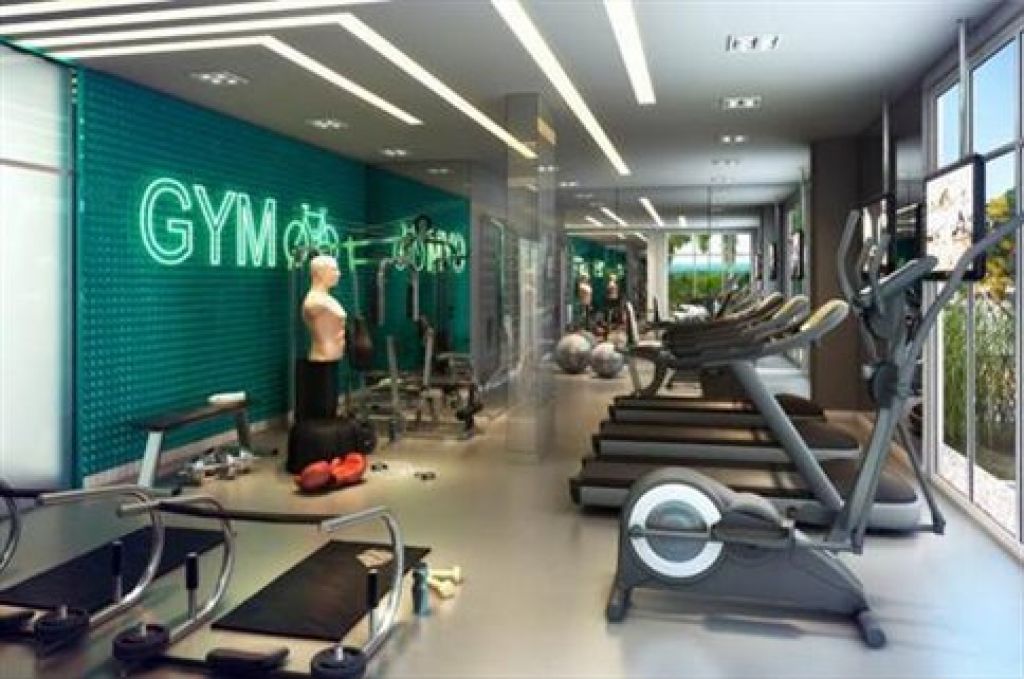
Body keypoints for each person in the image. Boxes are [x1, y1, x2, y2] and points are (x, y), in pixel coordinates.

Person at [302, 255, 347, 362]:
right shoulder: (315, 302)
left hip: (332, 358)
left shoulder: (327, 298)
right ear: (320, 272)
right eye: (334, 270)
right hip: (322, 359)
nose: (338, 274)